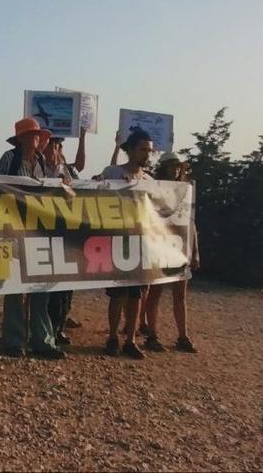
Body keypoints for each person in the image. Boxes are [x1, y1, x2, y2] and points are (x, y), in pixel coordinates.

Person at [0, 117, 64, 361]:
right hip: (14, 229)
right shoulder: (8, 158)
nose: (37, 138)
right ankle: (15, 340)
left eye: (38, 135)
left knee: (40, 288)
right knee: (15, 288)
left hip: (38, 231)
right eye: (34, 135)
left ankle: (42, 340)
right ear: (22, 138)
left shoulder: (43, 161)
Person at [99, 128, 155, 359]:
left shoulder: (150, 181)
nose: (147, 154)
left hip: (140, 244)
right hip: (117, 241)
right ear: (130, 150)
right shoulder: (112, 173)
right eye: (143, 149)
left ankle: (130, 339)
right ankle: (112, 336)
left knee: (136, 296)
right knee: (118, 293)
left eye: (149, 150)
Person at [141, 152, 200, 353]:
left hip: (180, 246)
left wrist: (195, 251)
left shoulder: (186, 190)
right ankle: (152, 335)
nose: (176, 170)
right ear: (165, 167)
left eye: (179, 167)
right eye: (173, 166)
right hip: (160, 245)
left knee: (180, 294)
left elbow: (191, 223)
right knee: (155, 292)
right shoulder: (154, 189)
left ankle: (183, 336)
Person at [42, 130, 87, 345]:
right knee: (48, 286)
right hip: (43, 234)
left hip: (67, 234)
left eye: (57, 146)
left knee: (66, 287)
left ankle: (60, 326)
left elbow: (84, 192)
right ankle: (47, 327)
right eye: (50, 145)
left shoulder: (68, 171)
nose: (54, 149)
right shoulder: (39, 169)